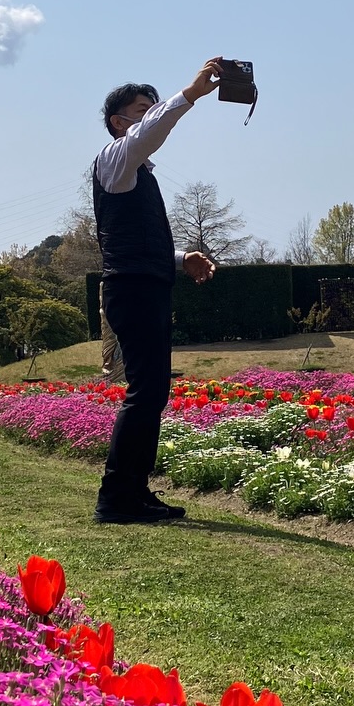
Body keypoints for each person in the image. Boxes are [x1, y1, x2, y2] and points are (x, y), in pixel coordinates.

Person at [92, 58, 223, 524]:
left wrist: (178, 259)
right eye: (141, 111)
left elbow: (133, 244)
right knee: (145, 390)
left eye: (152, 108)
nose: (150, 117)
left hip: (145, 284)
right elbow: (151, 131)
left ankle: (133, 491)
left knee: (152, 391)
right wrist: (188, 94)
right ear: (119, 123)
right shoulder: (114, 159)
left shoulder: (138, 173)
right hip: (132, 290)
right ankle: (116, 498)